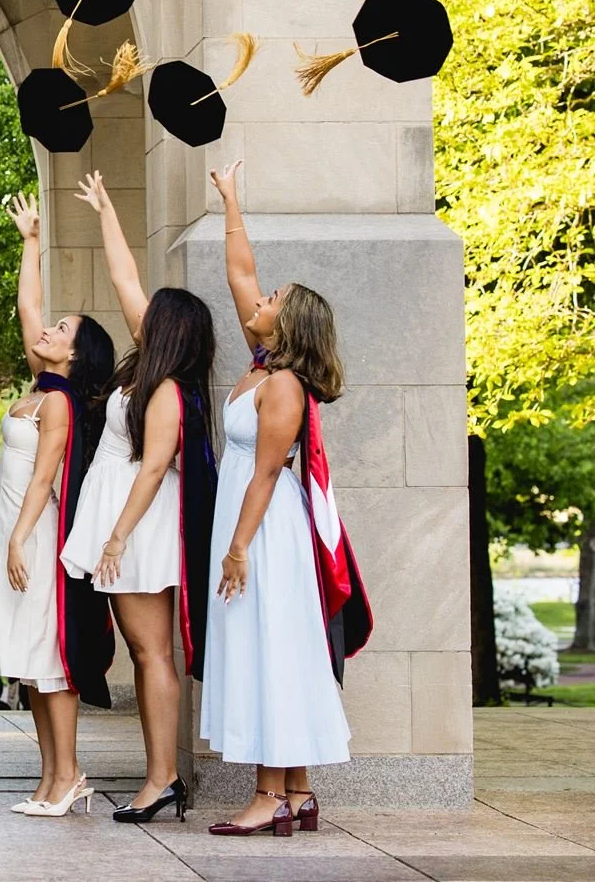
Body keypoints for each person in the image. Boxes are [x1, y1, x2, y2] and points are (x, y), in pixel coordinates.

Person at [201, 162, 372, 837]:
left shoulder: (285, 388)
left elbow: (268, 475)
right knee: (271, 641)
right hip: (246, 518)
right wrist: (232, 199)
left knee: (268, 643)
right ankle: (297, 792)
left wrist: (239, 547)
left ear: (288, 323)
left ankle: (268, 793)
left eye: (273, 297)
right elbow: (239, 273)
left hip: (264, 526)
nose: (259, 297)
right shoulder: (260, 363)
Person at [59, 171, 218, 825]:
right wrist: (105, 210)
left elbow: (154, 469)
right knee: (143, 648)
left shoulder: (171, 390)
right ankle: (162, 776)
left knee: (152, 651)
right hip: (124, 517)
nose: (139, 311)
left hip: (140, 525)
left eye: (155, 314)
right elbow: (126, 280)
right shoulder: (146, 370)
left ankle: (163, 779)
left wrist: (117, 537)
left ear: (172, 330)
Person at [0, 195, 117, 817]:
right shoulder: (39, 388)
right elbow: (26, 307)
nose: (47, 330)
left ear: (74, 354)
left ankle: (68, 777)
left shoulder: (61, 403)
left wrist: (16, 540)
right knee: (26, 664)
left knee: (48, 658)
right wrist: (30, 239)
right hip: (13, 532)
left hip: (35, 537)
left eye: (61, 330)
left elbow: (43, 481)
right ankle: (49, 777)